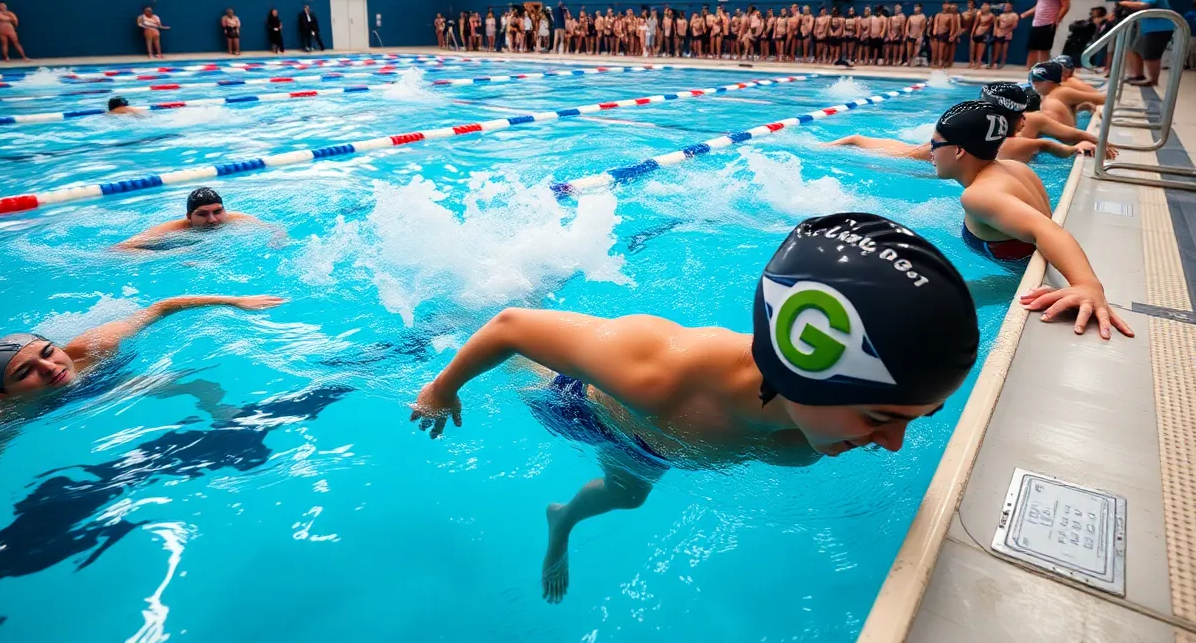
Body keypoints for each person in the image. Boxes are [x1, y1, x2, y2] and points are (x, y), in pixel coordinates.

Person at [410, 212, 981, 602]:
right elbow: (512, 329)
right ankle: (480, 300)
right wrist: (443, 390)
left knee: (628, 500)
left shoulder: (811, 439)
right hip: (579, 406)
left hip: (657, 445)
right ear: (799, 369)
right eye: (881, 419)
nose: (893, 444)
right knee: (518, 355)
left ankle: (560, 522)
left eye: (914, 418)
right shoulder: (661, 372)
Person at [932, 100, 1132, 338]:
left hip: (1030, 284)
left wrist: (1086, 285)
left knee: (928, 307)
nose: (930, 150)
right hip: (1033, 271)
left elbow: (1046, 230)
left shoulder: (978, 195)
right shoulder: (1014, 168)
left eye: (935, 143)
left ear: (958, 150)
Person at [0, 295, 284, 400]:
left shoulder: (96, 347)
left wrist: (236, 301)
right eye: (24, 372)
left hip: (103, 377)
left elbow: (161, 307)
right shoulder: (0, 415)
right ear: (2, 393)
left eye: (47, 352)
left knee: (191, 384)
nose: (50, 367)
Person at [827, 82, 1102, 164]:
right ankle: (845, 141)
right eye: (1020, 117)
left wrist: (1076, 147)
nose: (1025, 121)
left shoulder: (1015, 141)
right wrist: (1077, 146)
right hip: (922, 156)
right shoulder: (1009, 144)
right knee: (901, 152)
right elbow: (1044, 144)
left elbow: (1047, 145)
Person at [114, 187, 283, 251]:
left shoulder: (237, 218)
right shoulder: (173, 230)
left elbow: (275, 229)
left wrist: (276, 240)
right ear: (189, 217)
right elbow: (120, 249)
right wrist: (174, 253)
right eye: (202, 214)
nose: (212, 220)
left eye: (217, 212)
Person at [1117, 0, 1174, 87]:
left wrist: (1124, 3)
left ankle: (1153, 80)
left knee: (1151, 55)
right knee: (1135, 49)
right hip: (1148, 27)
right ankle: (1138, 75)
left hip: (1158, 28)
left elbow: (1146, 5)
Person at [1020, 0, 1071, 68]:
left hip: (1049, 22)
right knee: (1032, 47)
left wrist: (1057, 20)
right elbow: (1038, 6)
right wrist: (1025, 14)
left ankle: (1044, 71)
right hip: (1036, 22)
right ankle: (1029, 70)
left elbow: (1065, 6)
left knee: (1044, 48)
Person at [1029, 61, 1104, 127]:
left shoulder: (1062, 91)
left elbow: (1101, 98)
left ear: (1050, 82)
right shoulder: (1047, 93)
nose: (1035, 85)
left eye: (1038, 82)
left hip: (1068, 134)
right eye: (1033, 82)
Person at [992, 1, 1018, 69]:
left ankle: (1002, 64)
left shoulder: (1014, 15)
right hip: (1000, 34)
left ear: (1011, 7)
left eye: (1007, 6)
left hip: (1007, 34)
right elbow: (997, 25)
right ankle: (994, 63)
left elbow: (1014, 26)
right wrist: (997, 32)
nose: (1005, 8)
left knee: (1004, 50)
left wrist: (1006, 32)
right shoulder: (1001, 15)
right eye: (1005, 6)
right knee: (997, 50)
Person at [971, 2, 994, 69]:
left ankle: (978, 63)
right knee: (974, 50)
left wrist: (993, 35)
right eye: (982, 7)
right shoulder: (979, 14)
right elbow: (975, 24)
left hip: (984, 34)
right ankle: (974, 63)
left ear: (988, 8)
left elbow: (993, 26)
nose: (983, 8)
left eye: (985, 7)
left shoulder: (991, 16)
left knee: (980, 51)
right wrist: (972, 33)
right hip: (977, 33)